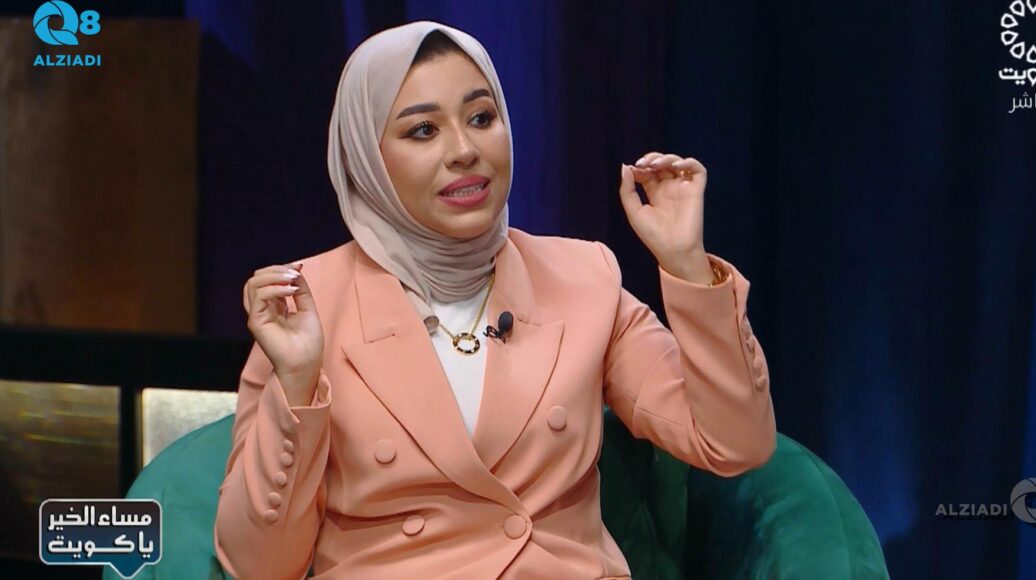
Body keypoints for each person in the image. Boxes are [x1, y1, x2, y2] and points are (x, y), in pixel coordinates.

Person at [214, 20, 775, 580]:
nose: (464, 151)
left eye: (481, 118)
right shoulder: (304, 306)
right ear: (367, 157)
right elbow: (257, 567)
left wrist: (686, 264)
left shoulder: (584, 278)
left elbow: (733, 443)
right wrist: (297, 386)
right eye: (423, 130)